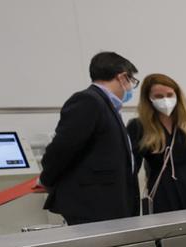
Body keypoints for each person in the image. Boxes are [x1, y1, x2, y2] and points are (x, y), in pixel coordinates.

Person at [38, 52, 140, 225]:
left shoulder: (107, 105)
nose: (130, 88)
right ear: (122, 77)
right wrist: (45, 180)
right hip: (93, 204)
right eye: (131, 81)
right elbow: (63, 147)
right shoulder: (88, 101)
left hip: (109, 203)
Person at [127, 74, 186, 214]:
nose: (165, 100)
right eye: (158, 96)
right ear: (148, 98)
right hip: (161, 188)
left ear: (177, 95)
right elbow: (132, 167)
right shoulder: (139, 126)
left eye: (169, 94)